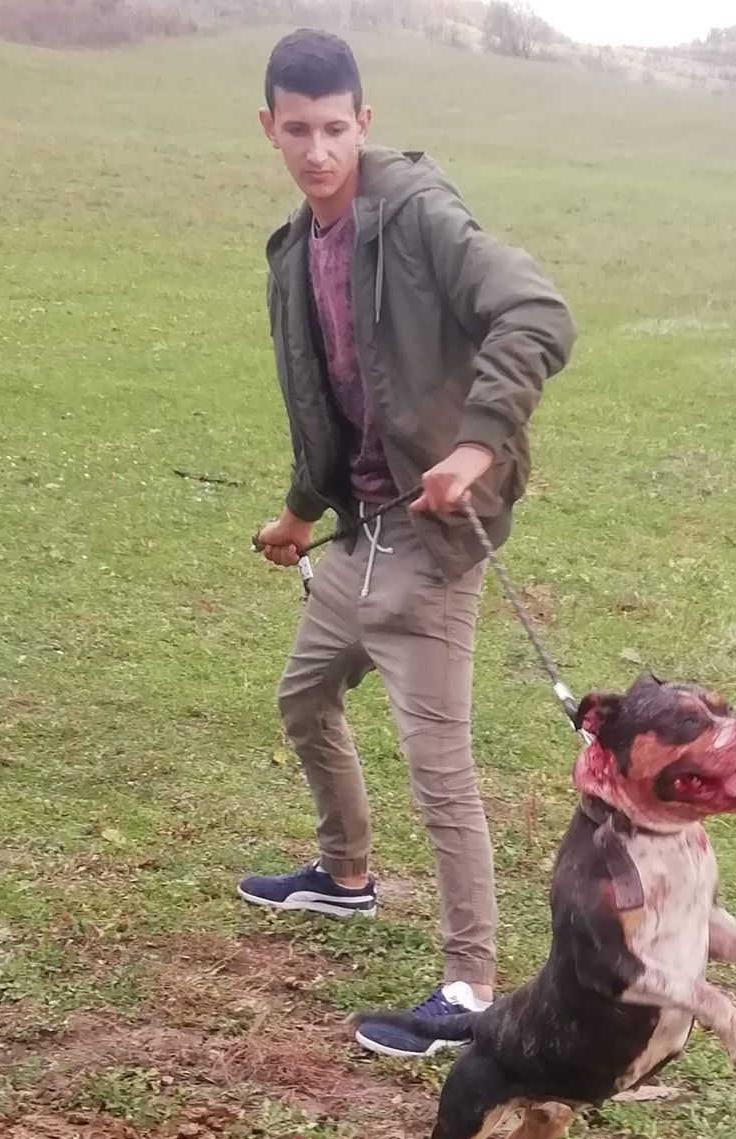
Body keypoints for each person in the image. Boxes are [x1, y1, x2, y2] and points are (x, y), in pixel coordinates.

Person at [240, 30, 575, 1056]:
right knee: (304, 699)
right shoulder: (294, 249)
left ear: (364, 122)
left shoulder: (420, 214)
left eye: (335, 128)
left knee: (440, 768)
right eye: (298, 130)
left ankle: (470, 991)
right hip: (360, 534)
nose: (317, 151)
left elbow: (536, 313)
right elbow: (331, 398)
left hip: (434, 537)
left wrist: (475, 445)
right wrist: (302, 512)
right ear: (269, 128)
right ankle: (345, 875)